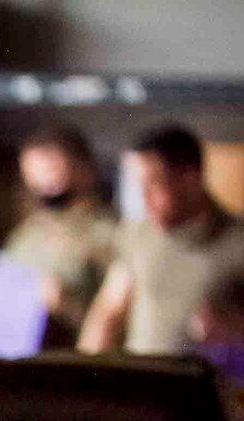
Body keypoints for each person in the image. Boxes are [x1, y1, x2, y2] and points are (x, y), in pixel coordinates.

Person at [79, 123, 244, 356]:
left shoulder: (238, 240)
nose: (144, 199)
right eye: (138, 186)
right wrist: (85, 373)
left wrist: (234, 329)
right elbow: (110, 310)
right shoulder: (137, 235)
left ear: (190, 179)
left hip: (211, 387)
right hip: (143, 381)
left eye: (154, 184)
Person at [2, 124, 118, 348]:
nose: (42, 183)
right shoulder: (26, 235)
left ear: (83, 170)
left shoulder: (108, 234)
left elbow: (121, 323)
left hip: (75, 363)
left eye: (52, 170)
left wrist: (66, 305)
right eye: (32, 173)